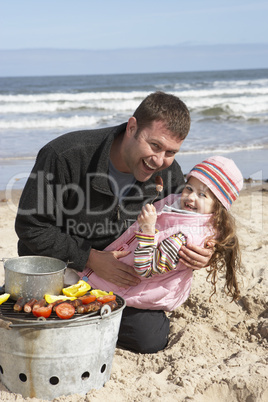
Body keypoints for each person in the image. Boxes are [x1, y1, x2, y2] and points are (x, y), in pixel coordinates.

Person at [15, 91, 212, 353]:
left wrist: (203, 255)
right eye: (154, 145)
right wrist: (89, 258)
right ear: (132, 127)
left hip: (124, 280)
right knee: (40, 324)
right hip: (62, 268)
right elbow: (31, 226)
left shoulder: (168, 171)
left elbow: (188, 222)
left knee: (149, 340)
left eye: (171, 152)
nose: (159, 160)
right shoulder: (64, 155)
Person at [78, 156, 243, 352]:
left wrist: (147, 230)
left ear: (218, 207)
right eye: (189, 188)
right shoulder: (178, 206)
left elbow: (145, 268)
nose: (190, 197)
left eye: (203, 195)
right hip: (128, 279)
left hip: (136, 286)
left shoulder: (184, 237)